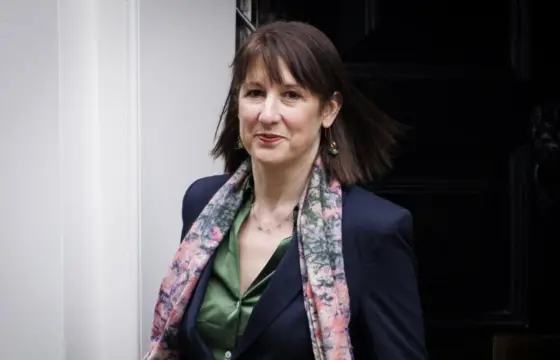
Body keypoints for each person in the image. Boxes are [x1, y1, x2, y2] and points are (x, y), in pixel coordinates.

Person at [145, 21, 427, 360]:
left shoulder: (373, 230)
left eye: (291, 95)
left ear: (328, 109)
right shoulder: (201, 203)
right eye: (255, 93)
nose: (267, 114)